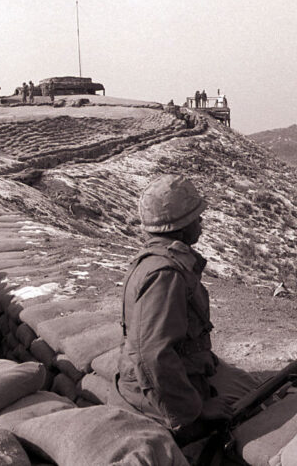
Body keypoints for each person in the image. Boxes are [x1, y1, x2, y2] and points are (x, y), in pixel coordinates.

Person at [110, 175, 257, 447]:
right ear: (179, 226)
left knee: (248, 383)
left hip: (171, 379)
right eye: (196, 217)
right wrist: (195, 410)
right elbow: (152, 354)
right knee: (252, 411)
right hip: (161, 396)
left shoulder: (160, 261)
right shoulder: (165, 273)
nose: (201, 223)